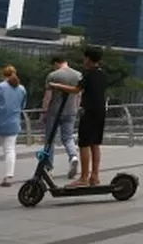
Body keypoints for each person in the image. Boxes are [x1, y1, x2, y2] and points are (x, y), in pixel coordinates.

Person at [49, 47, 107, 187]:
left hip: (89, 111)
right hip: (101, 110)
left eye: (84, 57)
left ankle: (84, 178)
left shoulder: (87, 74)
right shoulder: (102, 74)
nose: (83, 60)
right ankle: (95, 176)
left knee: (84, 144)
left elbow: (76, 90)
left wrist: (57, 85)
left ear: (88, 58)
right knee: (95, 144)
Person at [42, 55, 82, 178]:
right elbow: (79, 95)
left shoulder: (53, 76)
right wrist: (76, 108)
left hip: (54, 111)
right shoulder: (78, 75)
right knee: (68, 137)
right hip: (71, 111)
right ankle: (73, 156)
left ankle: (49, 168)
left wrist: (44, 112)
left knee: (50, 139)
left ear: (56, 63)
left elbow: (48, 96)